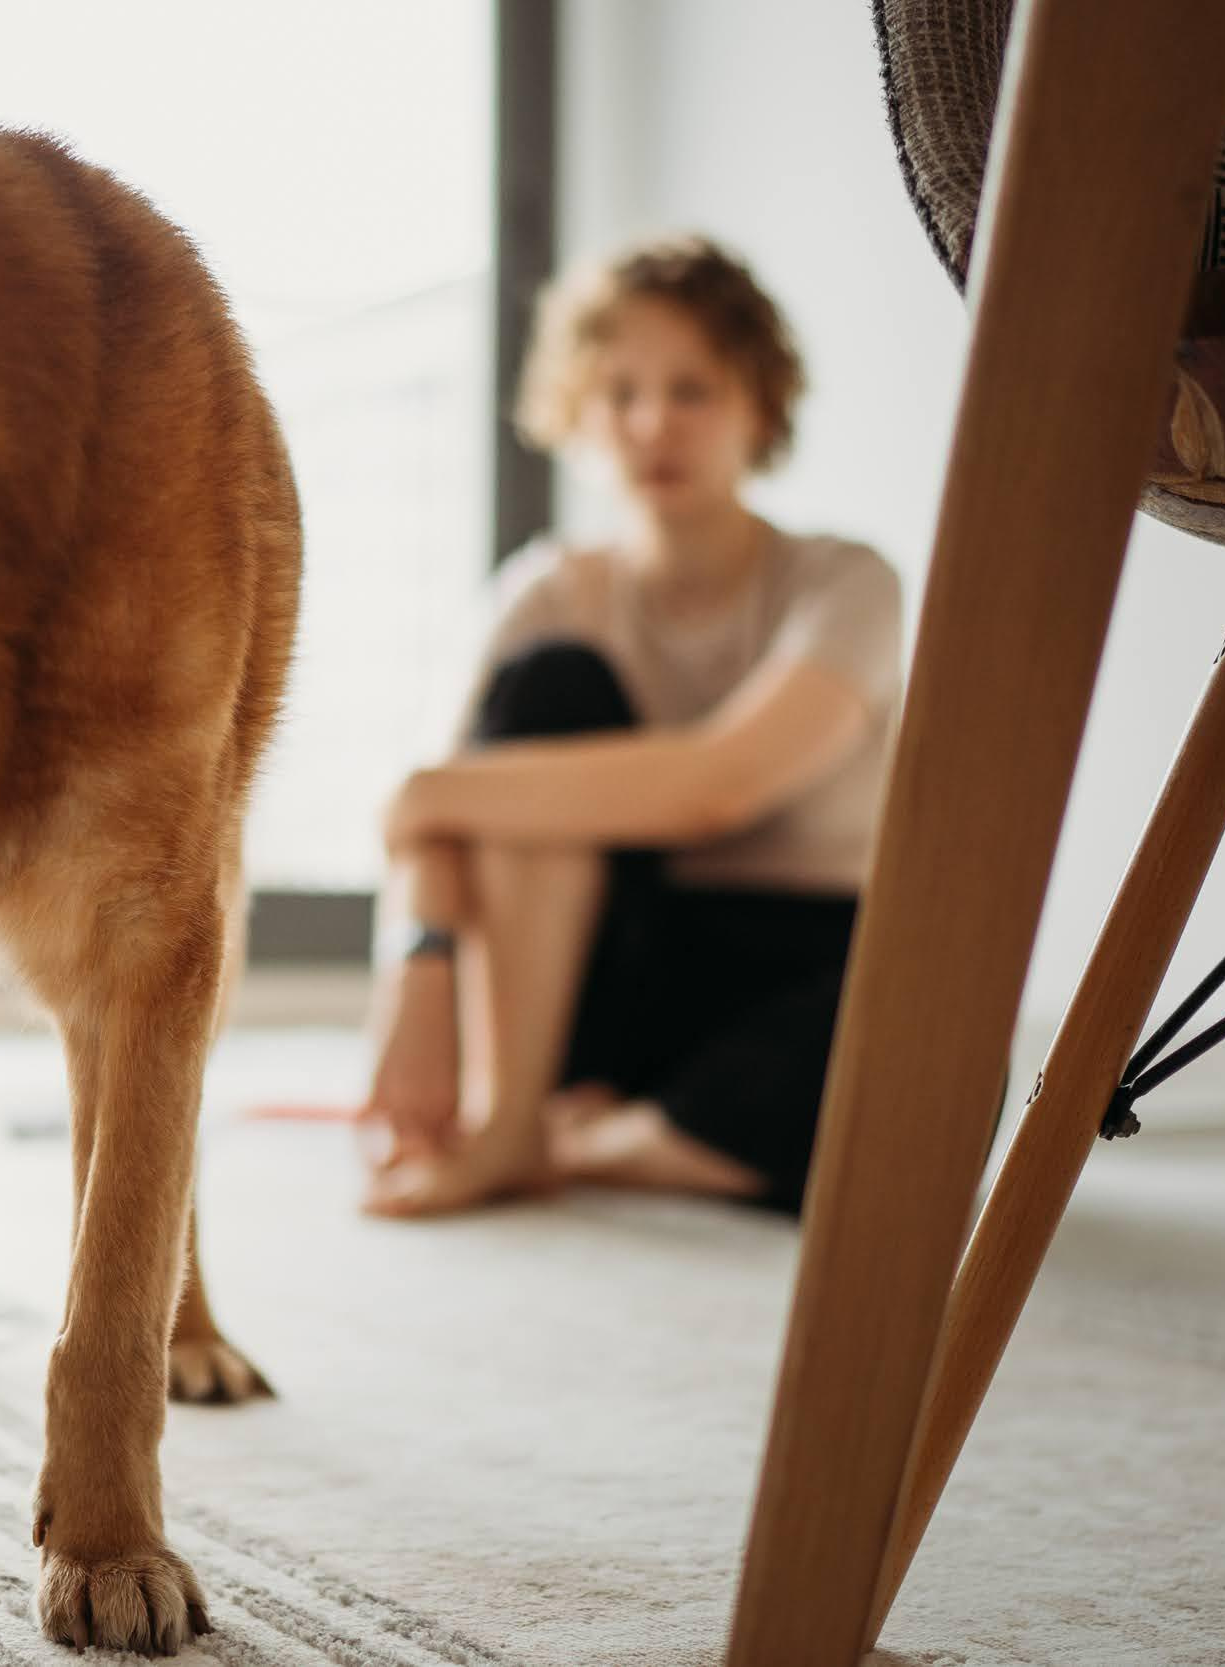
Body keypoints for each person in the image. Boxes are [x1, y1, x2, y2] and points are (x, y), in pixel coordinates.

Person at [355, 235, 902, 1219]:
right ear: (577, 414)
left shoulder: (845, 581)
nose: (654, 424)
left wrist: (415, 791)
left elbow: (716, 785)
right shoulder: (546, 590)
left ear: (756, 405)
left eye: (691, 389)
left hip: (809, 962)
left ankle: (604, 1138)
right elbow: (439, 824)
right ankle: (526, 1114)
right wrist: (418, 969)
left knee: (926, 1075)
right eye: (619, 393)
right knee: (546, 687)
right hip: (606, 968)